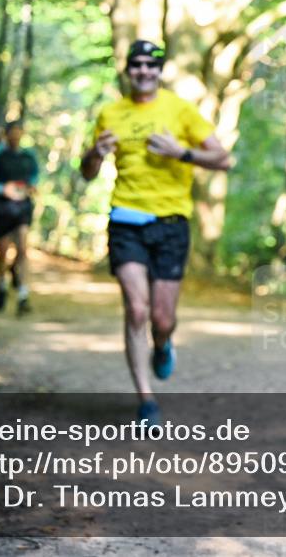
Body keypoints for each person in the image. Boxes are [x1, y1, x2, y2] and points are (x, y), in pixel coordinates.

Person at [80, 39, 232, 426]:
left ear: (160, 71)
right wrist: (96, 152)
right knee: (136, 309)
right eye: (137, 65)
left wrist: (181, 153)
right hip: (126, 221)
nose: (144, 71)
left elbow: (223, 158)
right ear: (127, 70)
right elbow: (87, 172)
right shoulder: (110, 113)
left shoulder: (180, 111)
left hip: (171, 224)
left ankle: (162, 345)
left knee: (162, 319)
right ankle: (146, 400)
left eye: (151, 65)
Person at [0, 120, 40, 316]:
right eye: (12, 132)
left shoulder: (28, 156)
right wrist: (1, 189)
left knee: (23, 247)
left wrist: (30, 185)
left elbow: (36, 174)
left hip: (22, 205)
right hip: (2, 206)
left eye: (18, 132)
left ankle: (23, 293)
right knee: (3, 251)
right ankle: (1, 284)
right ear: (6, 134)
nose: (15, 136)